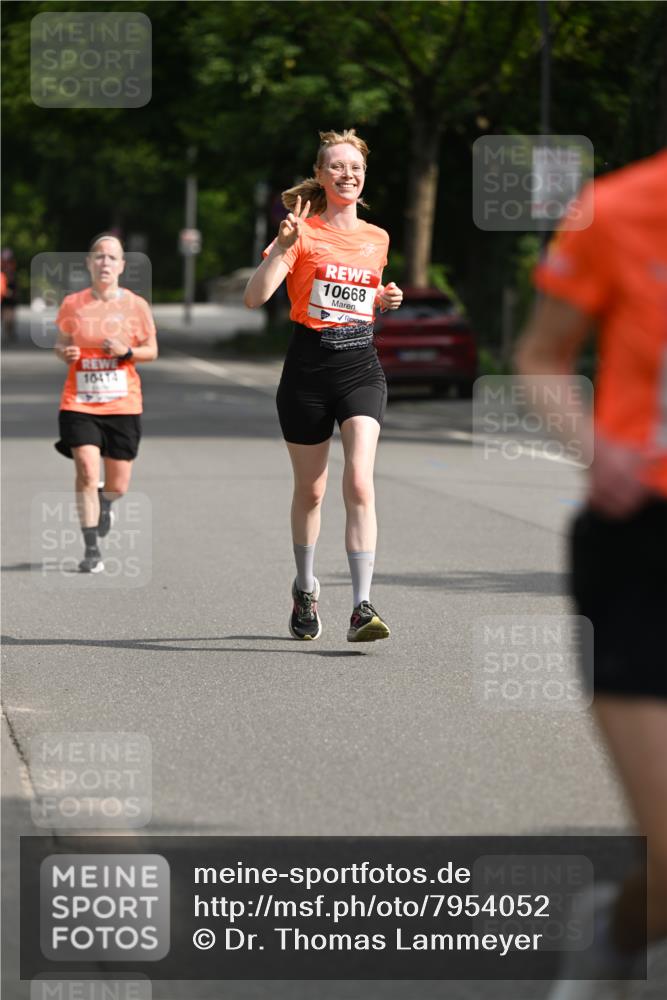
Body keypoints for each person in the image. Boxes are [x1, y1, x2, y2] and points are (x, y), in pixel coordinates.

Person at [515, 148, 667, 999]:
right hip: (641, 543)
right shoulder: (618, 209)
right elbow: (541, 354)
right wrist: (591, 445)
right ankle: (616, 933)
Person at [244, 129, 403, 642]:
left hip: (360, 364)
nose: (347, 175)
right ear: (320, 174)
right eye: (337, 167)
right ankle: (306, 586)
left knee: (359, 480)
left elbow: (362, 292)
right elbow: (255, 297)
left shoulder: (377, 237)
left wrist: (384, 299)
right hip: (307, 368)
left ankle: (362, 605)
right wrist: (281, 250)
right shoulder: (301, 233)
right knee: (311, 492)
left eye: (355, 168)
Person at [54, 233, 158, 573]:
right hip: (79, 400)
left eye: (112, 258)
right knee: (86, 469)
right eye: (99, 256)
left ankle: (106, 501)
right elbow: (61, 345)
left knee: (117, 484)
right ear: (88, 263)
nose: (105, 263)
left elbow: (151, 351)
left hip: (123, 405)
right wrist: (65, 353)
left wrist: (127, 352)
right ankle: (90, 549)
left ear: (122, 266)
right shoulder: (72, 304)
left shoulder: (136, 306)